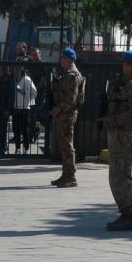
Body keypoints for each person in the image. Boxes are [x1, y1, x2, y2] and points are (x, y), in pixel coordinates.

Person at [100, 50, 132, 231]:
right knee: (116, 175)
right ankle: (124, 212)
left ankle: (128, 216)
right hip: (118, 136)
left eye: (124, 64)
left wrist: (110, 121)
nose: (122, 67)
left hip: (124, 136)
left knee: (122, 175)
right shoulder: (126, 83)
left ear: (130, 65)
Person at [50, 47, 85, 188]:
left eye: (63, 58)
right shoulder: (67, 74)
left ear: (70, 59)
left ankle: (70, 176)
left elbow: (71, 99)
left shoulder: (73, 76)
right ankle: (66, 174)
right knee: (64, 145)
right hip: (63, 114)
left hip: (67, 114)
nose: (61, 60)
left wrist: (57, 109)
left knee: (67, 145)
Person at [12, 66, 36, 155]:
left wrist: (23, 93)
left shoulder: (27, 80)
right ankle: (17, 147)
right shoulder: (14, 79)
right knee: (16, 129)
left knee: (24, 129)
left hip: (24, 107)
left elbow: (34, 92)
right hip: (15, 107)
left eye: (16, 70)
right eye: (14, 70)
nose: (15, 72)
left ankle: (26, 148)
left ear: (21, 71)